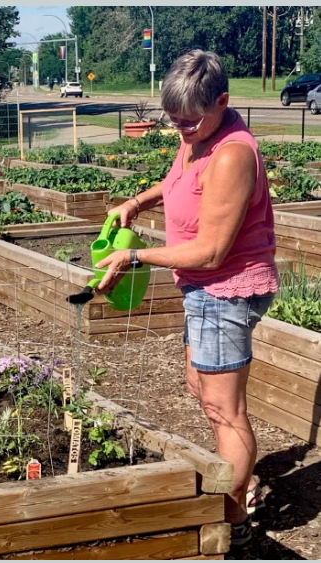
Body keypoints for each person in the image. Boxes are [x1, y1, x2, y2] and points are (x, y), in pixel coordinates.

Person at [100, 50, 278, 547]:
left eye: (190, 121)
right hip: (201, 290)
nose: (182, 131)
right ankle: (237, 481)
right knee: (201, 389)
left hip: (225, 287)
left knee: (226, 411)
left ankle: (234, 519)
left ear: (223, 101)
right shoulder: (198, 137)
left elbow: (212, 250)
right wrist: (136, 201)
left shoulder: (232, 153)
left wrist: (136, 259)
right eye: (174, 121)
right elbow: (177, 181)